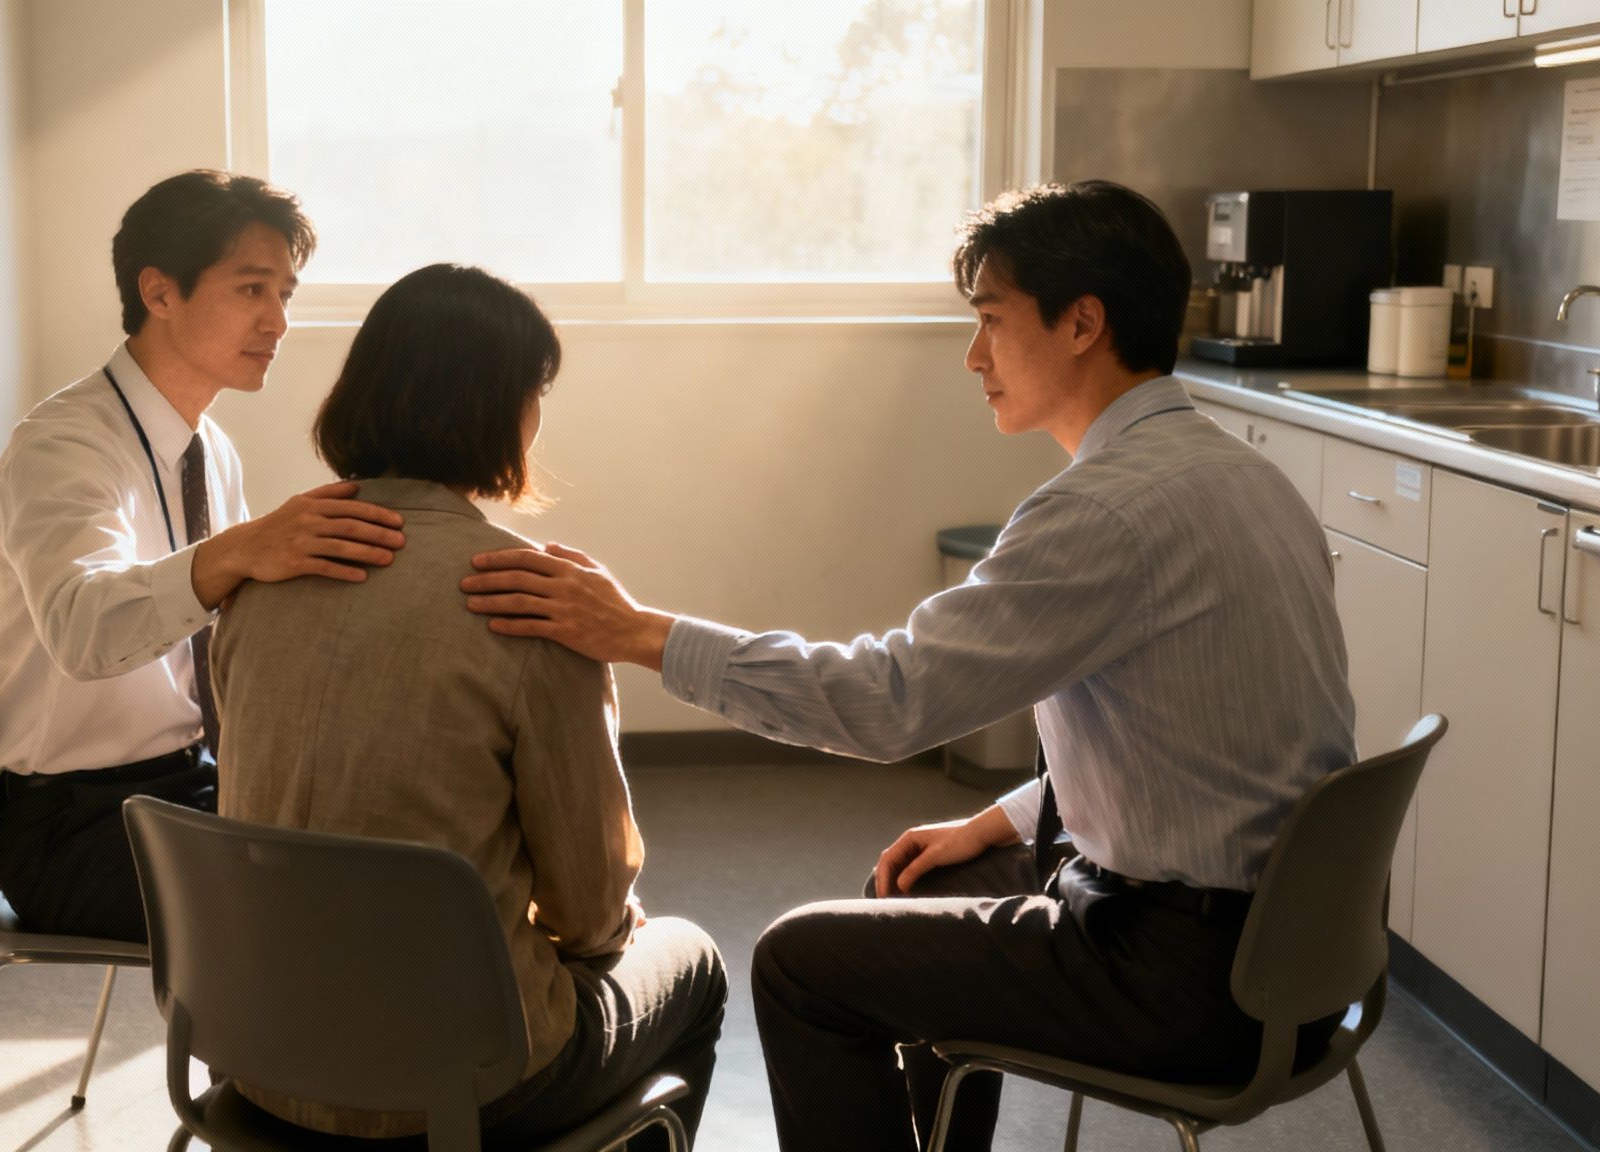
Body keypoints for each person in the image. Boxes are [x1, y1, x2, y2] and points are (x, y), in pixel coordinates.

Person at [458, 181, 1356, 1151]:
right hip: (1298, 954)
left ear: (1081, 323)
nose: (972, 358)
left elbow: (887, 701)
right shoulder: (1246, 478)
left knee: (800, 964)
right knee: (923, 881)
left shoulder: (1098, 513)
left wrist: (640, 634)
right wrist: (999, 818)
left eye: (989, 322)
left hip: (1184, 978)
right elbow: (1200, 736)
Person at [211, 263, 726, 1146]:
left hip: (258, 1059)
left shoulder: (260, 572)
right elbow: (589, 907)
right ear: (505, 410)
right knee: (695, 964)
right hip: (463, 1089)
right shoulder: (527, 599)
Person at [0, 169, 407, 943]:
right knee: (334, 911)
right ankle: (257, 1068)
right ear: (159, 292)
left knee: (401, 835)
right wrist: (241, 550)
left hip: (189, 785)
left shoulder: (210, 449)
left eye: (286, 295)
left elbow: (237, 625)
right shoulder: (64, 447)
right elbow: (85, 631)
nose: (277, 321)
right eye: (251, 290)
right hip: (72, 827)